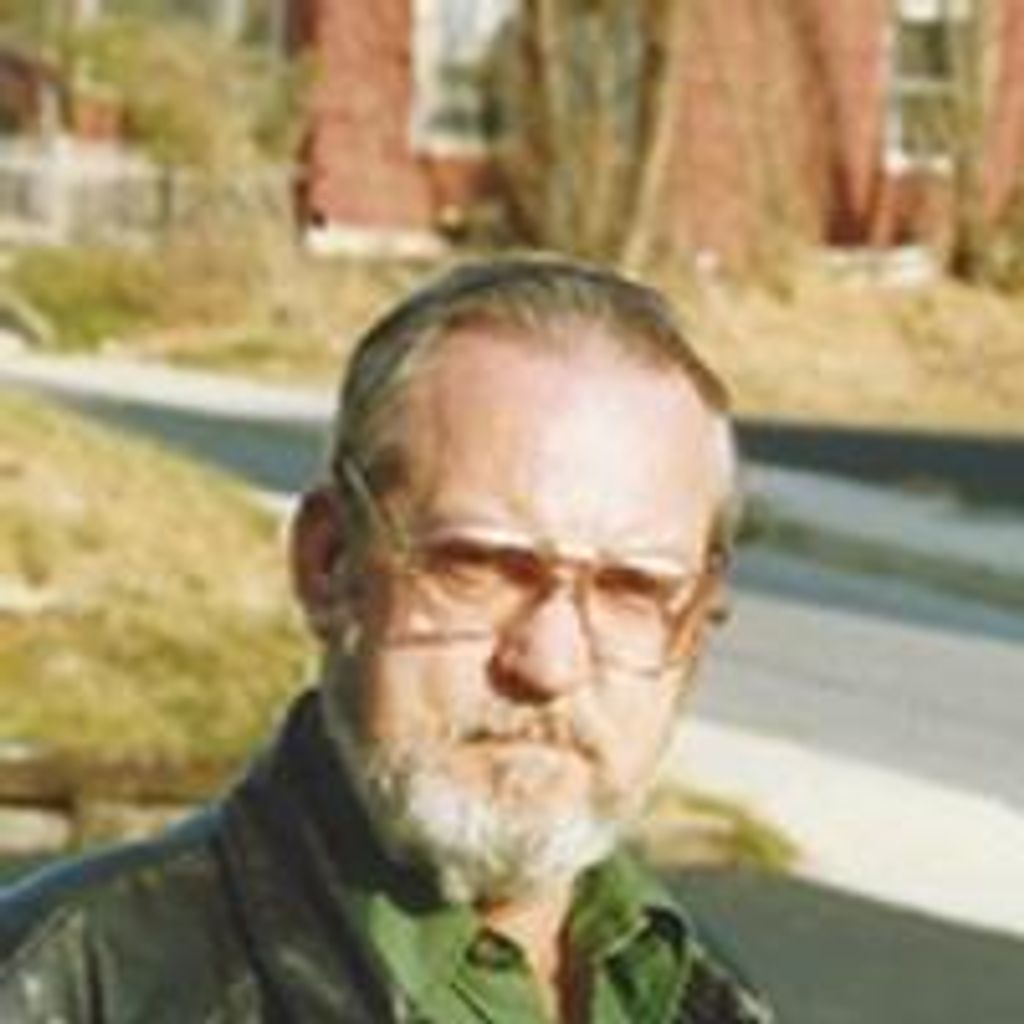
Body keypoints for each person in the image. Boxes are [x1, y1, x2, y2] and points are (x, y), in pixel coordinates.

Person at [0, 256, 773, 1023]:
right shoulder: (74, 988)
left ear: (700, 617)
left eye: (631, 589)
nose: (549, 663)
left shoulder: (701, 998)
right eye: (480, 568)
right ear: (329, 564)